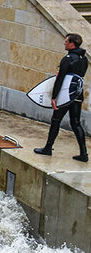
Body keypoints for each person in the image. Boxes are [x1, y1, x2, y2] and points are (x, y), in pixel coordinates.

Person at [34, 33, 89, 162]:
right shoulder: (84, 58)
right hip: (77, 94)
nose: (64, 43)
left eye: (66, 41)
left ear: (72, 44)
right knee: (76, 123)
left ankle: (47, 148)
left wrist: (54, 98)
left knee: (56, 120)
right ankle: (84, 154)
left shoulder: (68, 58)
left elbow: (60, 79)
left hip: (65, 96)